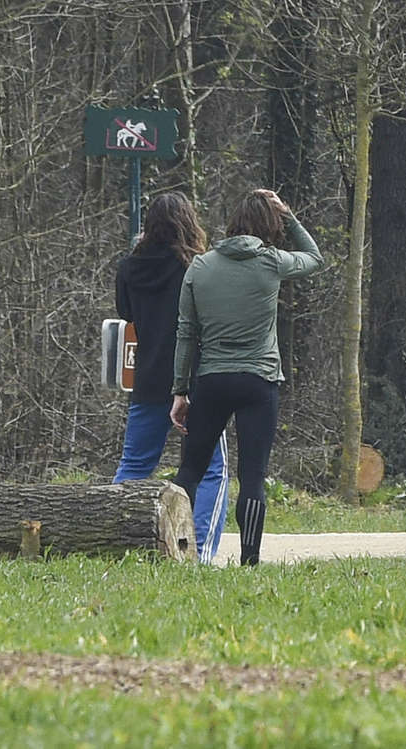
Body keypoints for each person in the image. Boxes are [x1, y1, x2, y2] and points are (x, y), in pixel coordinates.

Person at [170, 188, 323, 566]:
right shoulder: (271, 262)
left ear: (233, 224)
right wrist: (288, 215)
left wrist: (180, 390)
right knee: (252, 475)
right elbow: (315, 258)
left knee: (191, 468)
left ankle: (171, 546)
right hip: (259, 380)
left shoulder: (200, 267)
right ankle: (249, 560)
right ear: (270, 227)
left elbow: (186, 333)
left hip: (212, 380)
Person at [112, 192, 230, 564]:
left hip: (148, 379)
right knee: (211, 467)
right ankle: (199, 551)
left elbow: (126, 314)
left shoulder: (129, 268)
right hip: (196, 381)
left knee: (134, 465)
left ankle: (115, 539)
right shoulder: (198, 267)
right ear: (189, 223)